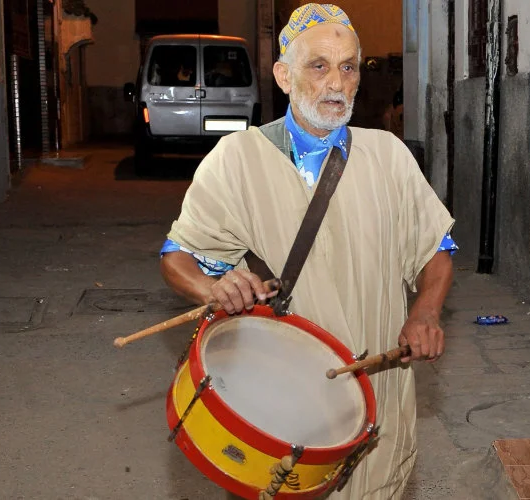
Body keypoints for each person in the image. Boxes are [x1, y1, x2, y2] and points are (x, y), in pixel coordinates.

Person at [159, 3, 457, 499]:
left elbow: (436, 248)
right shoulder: (237, 161)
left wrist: (425, 311)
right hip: (280, 400)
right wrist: (213, 287)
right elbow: (177, 258)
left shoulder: (389, 156)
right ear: (283, 74)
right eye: (318, 66)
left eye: (348, 67)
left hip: (376, 390)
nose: (335, 84)